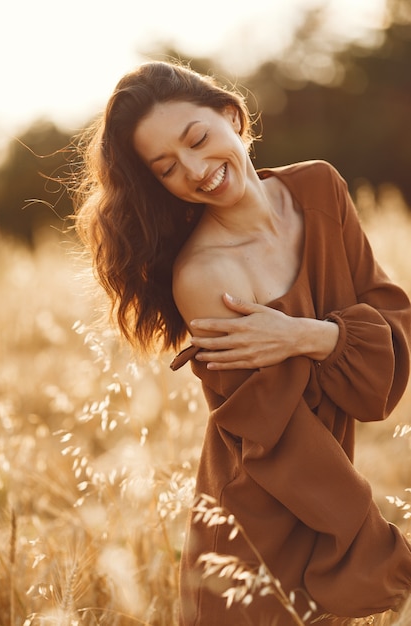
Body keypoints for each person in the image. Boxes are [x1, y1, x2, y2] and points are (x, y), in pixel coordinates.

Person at [74, 60, 411, 625]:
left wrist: (308, 335)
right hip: (253, 533)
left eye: (199, 139)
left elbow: (390, 327)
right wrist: (378, 545)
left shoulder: (320, 188)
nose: (196, 169)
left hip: (331, 501)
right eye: (167, 167)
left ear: (233, 117)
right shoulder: (204, 277)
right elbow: (275, 440)